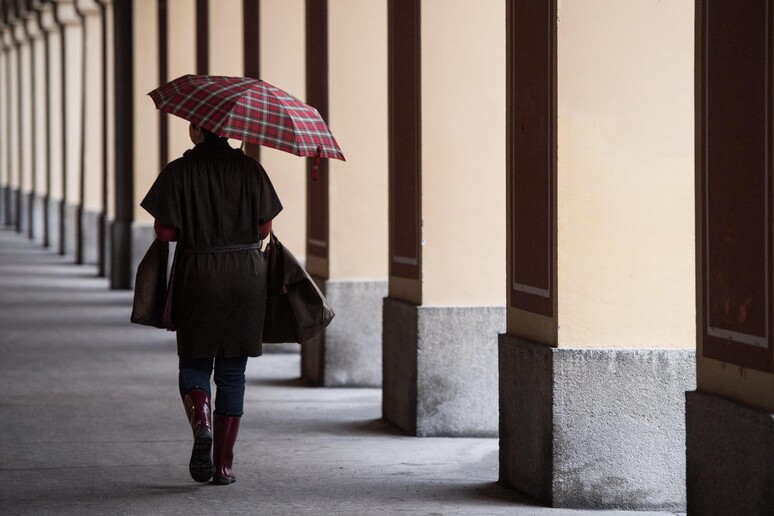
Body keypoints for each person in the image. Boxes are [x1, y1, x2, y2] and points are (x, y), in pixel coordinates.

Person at [140, 123, 282, 485]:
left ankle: (201, 423)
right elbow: (264, 228)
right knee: (233, 371)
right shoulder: (251, 168)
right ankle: (223, 466)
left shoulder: (179, 170)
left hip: (198, 273)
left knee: (195, 361)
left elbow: (165, 232)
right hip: (246, 276)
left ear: (197, 130)